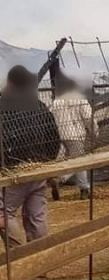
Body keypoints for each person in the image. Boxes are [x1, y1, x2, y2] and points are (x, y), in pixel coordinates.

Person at [0, 65, 61, 246]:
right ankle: (40, 259)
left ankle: (20, 256)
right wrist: (47, 162)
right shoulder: (39, 106)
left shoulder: (3, 106)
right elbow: (54, 138)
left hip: (11, 171)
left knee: (4, 214)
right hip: (38, 169)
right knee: (37, 216)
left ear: (10, 83)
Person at [49, 77, 97, 200]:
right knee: (80, 163)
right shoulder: (79, 99)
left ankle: (59, 179)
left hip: (61, 135)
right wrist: (94, 132)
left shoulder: (56, 102)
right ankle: (84, 189)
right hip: (76, 135)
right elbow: (88, 118)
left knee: (69, 161)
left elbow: (51, 121)